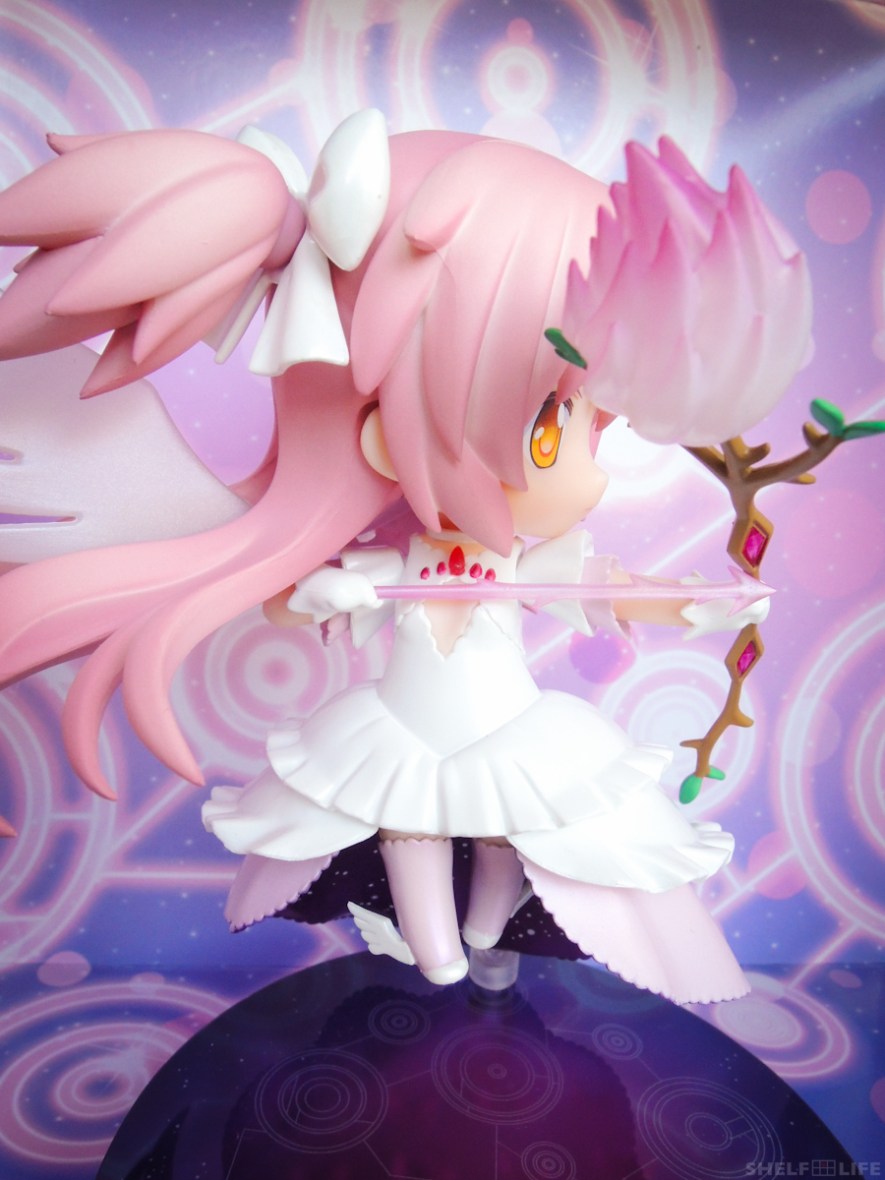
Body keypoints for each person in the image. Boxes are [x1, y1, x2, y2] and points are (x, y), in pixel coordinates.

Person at [0, 111, 810, 1001]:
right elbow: (300, 599)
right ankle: (439, 953)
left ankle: (484, 931)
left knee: (506, 833)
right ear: (386, 435)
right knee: (407, 835)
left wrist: (695, 603)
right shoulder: (397, 568)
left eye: (591, 427)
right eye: (555, 424)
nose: (588, 469)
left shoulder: (521, 565)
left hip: (507, 733)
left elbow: (602, 588)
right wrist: (323, 593)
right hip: (402, 733)